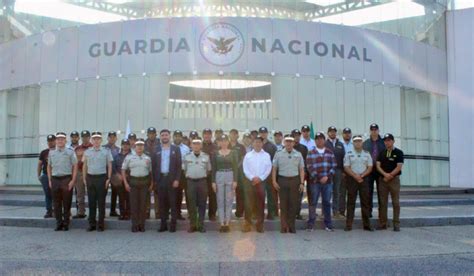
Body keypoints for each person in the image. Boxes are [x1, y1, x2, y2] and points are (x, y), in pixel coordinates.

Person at [272, 135, 305, 233]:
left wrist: (302, 183)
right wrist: (274, 181)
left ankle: (291, 226)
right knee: (283, 205)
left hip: (295, 181)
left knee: (293, 204)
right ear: (284, 143)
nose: (289, 143)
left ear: (294, 143)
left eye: (291, 142)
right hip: (282, 180)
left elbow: (301, 169)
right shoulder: (278, 154)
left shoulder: (298, 154)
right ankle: (283, 226)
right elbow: (274, 169)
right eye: (287, 141)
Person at [152, 129, 182, 233]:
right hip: (160, 179)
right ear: (160, 137)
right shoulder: (156, 149)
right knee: (162, 203)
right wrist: (155, 181)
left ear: (170, 136)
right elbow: (153, 166)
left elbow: (179, 166)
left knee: (173, 203)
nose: (164, 137)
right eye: (163, 135)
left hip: (172, 179)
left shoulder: (176, 149)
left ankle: (173, 225)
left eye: (166, 135)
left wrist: (177, 179)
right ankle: (163, 224)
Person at [82, 132, 113, 232]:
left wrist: (108, 178)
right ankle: (92, 224)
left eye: (98, 139)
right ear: (91, 140)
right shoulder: (87, 152)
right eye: (94, 139)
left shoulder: (106, 151)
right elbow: (84, 166)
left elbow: (110, 165)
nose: (96, 141)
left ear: (101, 140)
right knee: (91, 202)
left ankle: (101, 224)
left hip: (102, 178)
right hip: (90, 178)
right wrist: (84, 178)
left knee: (101, 202)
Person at [306, 132, 337, 232]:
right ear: (315, 141)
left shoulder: (329, 152)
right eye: (317, 139)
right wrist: (320, 177)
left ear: (324, 140)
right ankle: (311, 224)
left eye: (321, 139)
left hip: (327, 182)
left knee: (327, 203)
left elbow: (334, 165)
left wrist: (327, 177)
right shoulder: (311, 152)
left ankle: (328, 224)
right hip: (315, 182)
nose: (319, 140)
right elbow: (309, 166)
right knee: (313, 202)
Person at [47, 132, 77, 231]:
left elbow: (75, 166)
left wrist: (73, 180)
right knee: (56, 203)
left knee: (67, 203)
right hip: (55, 179)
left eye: (62, 139)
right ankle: (59, 223)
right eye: (58, 139)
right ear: (56, 141)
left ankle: (66, 223)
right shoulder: (51, 153)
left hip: (66, 179)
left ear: (65, 141)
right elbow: (49, 166)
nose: (60, 141)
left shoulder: (70, 152)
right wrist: (50, 180)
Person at [343, 135, 374, 232]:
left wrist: (362, 176)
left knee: (365, 202)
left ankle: (366, 225)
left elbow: (370, 167)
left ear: (362, 142)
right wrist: (355, 176)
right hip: (352, 179)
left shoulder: (367, 154)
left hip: (364, 180)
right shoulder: (349, 153)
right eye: (356, 141)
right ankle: (348, 225)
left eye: (359, 141)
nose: (358, 143)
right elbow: (346, 167)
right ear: (353, 143)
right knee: (350, 203)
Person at [122, 138, 153, 233]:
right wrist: (126, 183)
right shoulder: (129, 157)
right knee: (134, 205)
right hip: (133, 183)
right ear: (134, 147)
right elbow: (123, 169)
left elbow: (151, 172)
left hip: (144, 183)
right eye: (138, 146)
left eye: (141, 145)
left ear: (143, 147)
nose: (139, 147)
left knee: (143, 205)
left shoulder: (147, 158)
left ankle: (141, 225)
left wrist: (151, 183)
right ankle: (134, 225)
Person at [242, 136, 272, 233]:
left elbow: (268, 169)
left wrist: (260, 178)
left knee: (261, 204)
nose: (257, 144)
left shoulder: (266, 155)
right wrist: (252, 177)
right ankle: (247, 224)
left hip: (261, 182)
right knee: (248, 204)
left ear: (262, 144)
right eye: (255, 142)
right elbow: (245, 169)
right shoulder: (248, 155)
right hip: (250, 182)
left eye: (259, 142)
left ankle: (260, 225)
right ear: (252, 143)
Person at [376, 133, 404, 232]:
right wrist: (385, 175)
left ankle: (396, 224)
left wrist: (390, 175)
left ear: (393, 141)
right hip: (383, 180)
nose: (387, 142)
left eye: (389, 140)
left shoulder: (399, 152)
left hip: (394, 180)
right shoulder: (382, 152)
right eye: (385, 141)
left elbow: (399, 167)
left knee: (395, 202)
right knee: (383, 203)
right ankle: (383, 223)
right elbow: (378, 165)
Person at [183, 138, 211, 233]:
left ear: (201, 145)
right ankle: (193, 225)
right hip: (190, 182)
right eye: (194, 144)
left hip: (202, 182)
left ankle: (201, 225)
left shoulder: (206, 156)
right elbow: (185, 170)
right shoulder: (187, 157)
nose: (196, 146)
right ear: (191, 145)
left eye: (198, 144)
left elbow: (208, 170)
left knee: (202, 204)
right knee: (192, 204)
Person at [212, 134, 239, 233]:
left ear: (228, 142)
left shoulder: (233, 152)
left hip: (230, 175)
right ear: (219, 142)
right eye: (221, 141)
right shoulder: (215, 153)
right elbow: (214, 168)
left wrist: (235, 180)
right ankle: (221, 223)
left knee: (229, 200)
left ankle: (227, 223)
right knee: (220, 200)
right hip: (219, 175)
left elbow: (236, 167)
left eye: (225, 141)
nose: (223, 143)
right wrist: (213, 182)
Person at [362, 123, 386, 218]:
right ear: (370, 131)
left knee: (381, 193)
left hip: (381, 170)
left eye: (375, 129)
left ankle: (382, 213)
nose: (374, 131)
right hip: (369, 170)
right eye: (372, 129)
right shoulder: (366, 143)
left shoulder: (384, 142)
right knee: (368, 192)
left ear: (378, 130)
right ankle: (369, 211)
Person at [325, 126, 346, 218]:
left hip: (338, 170)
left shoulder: (340, 144)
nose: (332, 133)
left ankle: (335, 211)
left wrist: (343, 171)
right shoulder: (325, 143)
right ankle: (325, 212)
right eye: (331, 132)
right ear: (328, 133)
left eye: (334, 131)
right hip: (327, 171)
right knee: (327, 191)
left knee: (337, 191)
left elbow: (343, 158)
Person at [258, 126, 278, 220]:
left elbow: (275, 161)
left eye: (264, 132)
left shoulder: (272, 146)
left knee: (271, 195)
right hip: (260, 175)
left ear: (267, 133)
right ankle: (260, 214)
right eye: (261, 133)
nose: (263, 134)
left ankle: (271, 214)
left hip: (269, 175)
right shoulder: (257, 144)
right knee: (260, 195)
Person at [73, 130, 92, 219]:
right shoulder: (77, 149)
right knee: (80, 194)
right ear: (81, 138)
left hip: (91, 173)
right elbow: (74, 162)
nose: (85, 138)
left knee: (92, 194)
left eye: (87, 136)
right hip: (80, 172)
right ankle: (81, 212)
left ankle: (92, 213)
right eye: (83, 137)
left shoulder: (93, 147)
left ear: (89, 137)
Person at [291, 129, 309, 220]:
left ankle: (297, 213)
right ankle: (290, 213)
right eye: (295, 136)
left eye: (298, 136)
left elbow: (306, 162)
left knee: (299, 195)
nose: (297, 137)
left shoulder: (303, 148)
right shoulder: (287, 147)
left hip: (300, 175)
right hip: (290, 175)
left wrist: (305, 173)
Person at [229, 129, 247, 218]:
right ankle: (227, 213)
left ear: (237, 135)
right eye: (231, 134)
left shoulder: (241, 146)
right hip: (228, 172)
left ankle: (239, 212)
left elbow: (244, 158)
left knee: (240, 193)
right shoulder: (226, 145)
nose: (233, 136)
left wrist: (236, 166)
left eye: (235, 134)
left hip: (239, 173)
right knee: (228, 193)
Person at [173, 130, 190, 220]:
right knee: (176, 194)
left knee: (187, 194)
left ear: (181, 137)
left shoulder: (186, 148)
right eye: (176, 136)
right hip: (174, 174)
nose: (177, 138)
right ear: (173, 137)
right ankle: (176, 213)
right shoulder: (170, 147)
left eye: (179, 136)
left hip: (184, 173)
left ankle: (190, 213)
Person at [114, 139, 132, 220]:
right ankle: (122, 214)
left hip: (129, 179)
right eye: (123, 144)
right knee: (121, 198)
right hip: (119, 180)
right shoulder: (116, 156)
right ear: (121, 145)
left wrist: (127, 175)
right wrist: (118, 175)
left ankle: (128, 214)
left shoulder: (132, 155)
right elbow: (114, 167)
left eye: (127, 144)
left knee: (129, 197)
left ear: (129, 145)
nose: (125, 146)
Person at [38, 134, 56, 218]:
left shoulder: (59, 151)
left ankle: (57, 210)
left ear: (55, 141)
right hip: (45, 175)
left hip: (56, 176)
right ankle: (49, 211)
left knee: (57, 194)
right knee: (47, 194)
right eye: (49, 141)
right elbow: (39, 164)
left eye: (52, 141)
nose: (50, 142)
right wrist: (39, 176)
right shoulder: (44, 152)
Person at [202, 128, 218, 221]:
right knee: (202, 196)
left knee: (213, 195)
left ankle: (212, 214)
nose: (207, 136)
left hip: (212, 174)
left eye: (208, 134)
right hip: (202, 175)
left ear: (211, 136)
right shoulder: (199, 146)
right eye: (205, 134)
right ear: (203, 135)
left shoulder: (215, 147)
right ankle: (202, 214)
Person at [103, 131, 120, 217]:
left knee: (115, 193)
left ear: (116, 138)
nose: (112, 138)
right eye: (110, 137)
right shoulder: (103, 148)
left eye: (114, 137)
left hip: (114, 174)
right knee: (103, 193)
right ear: (107, 138)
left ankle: (112, 211)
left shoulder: (118, 149)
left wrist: (118, 173)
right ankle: (102, 211)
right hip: (104, 174)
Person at [144, 127, 160, 219]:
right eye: (150, 133)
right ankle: (147, 211)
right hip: (147, 172)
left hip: (157, 171)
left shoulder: (160, 144)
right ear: (147, 134)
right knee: (147, 193)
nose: (151, 135)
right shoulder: (144, 144)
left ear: (155, 134)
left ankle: (158, 212)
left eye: (153, 133)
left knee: (157, 193)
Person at [340, 127, 353, 218]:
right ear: (342, 134)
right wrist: (342, 171)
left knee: (352, 193)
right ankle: (341, 211)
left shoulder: (354, 144)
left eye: (348, 133)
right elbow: (338, 159)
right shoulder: (339, 144)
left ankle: (350, 212)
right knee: (342, 193)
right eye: (345, 133)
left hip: (353, 173)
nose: (347, 134)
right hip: (343, 172)